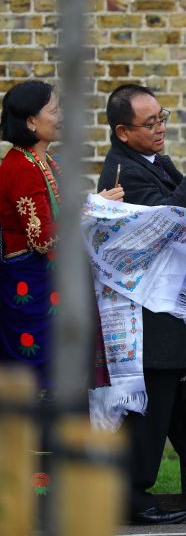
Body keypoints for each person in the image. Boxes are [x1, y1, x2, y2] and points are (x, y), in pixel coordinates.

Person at [97, 84, 186, 525]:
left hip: (169, 313)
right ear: (123, 132)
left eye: (161, 117)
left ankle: (138, 491)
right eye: (151, 124)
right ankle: (133, 495)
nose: (161, 128)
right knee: (147, 409)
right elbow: (161, 226)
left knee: (163, 406)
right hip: (148, 317)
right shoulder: (121, 174)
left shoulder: (152, 161)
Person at [0, 82, 114, 391]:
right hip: (32, 280)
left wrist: (97, 204)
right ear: (31, 122)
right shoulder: (21, 167)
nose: (61, 115)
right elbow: (41, 239)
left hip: (51, 279)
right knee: (38, 376)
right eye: (54, 110)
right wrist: (96, 210)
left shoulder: (45, 161)